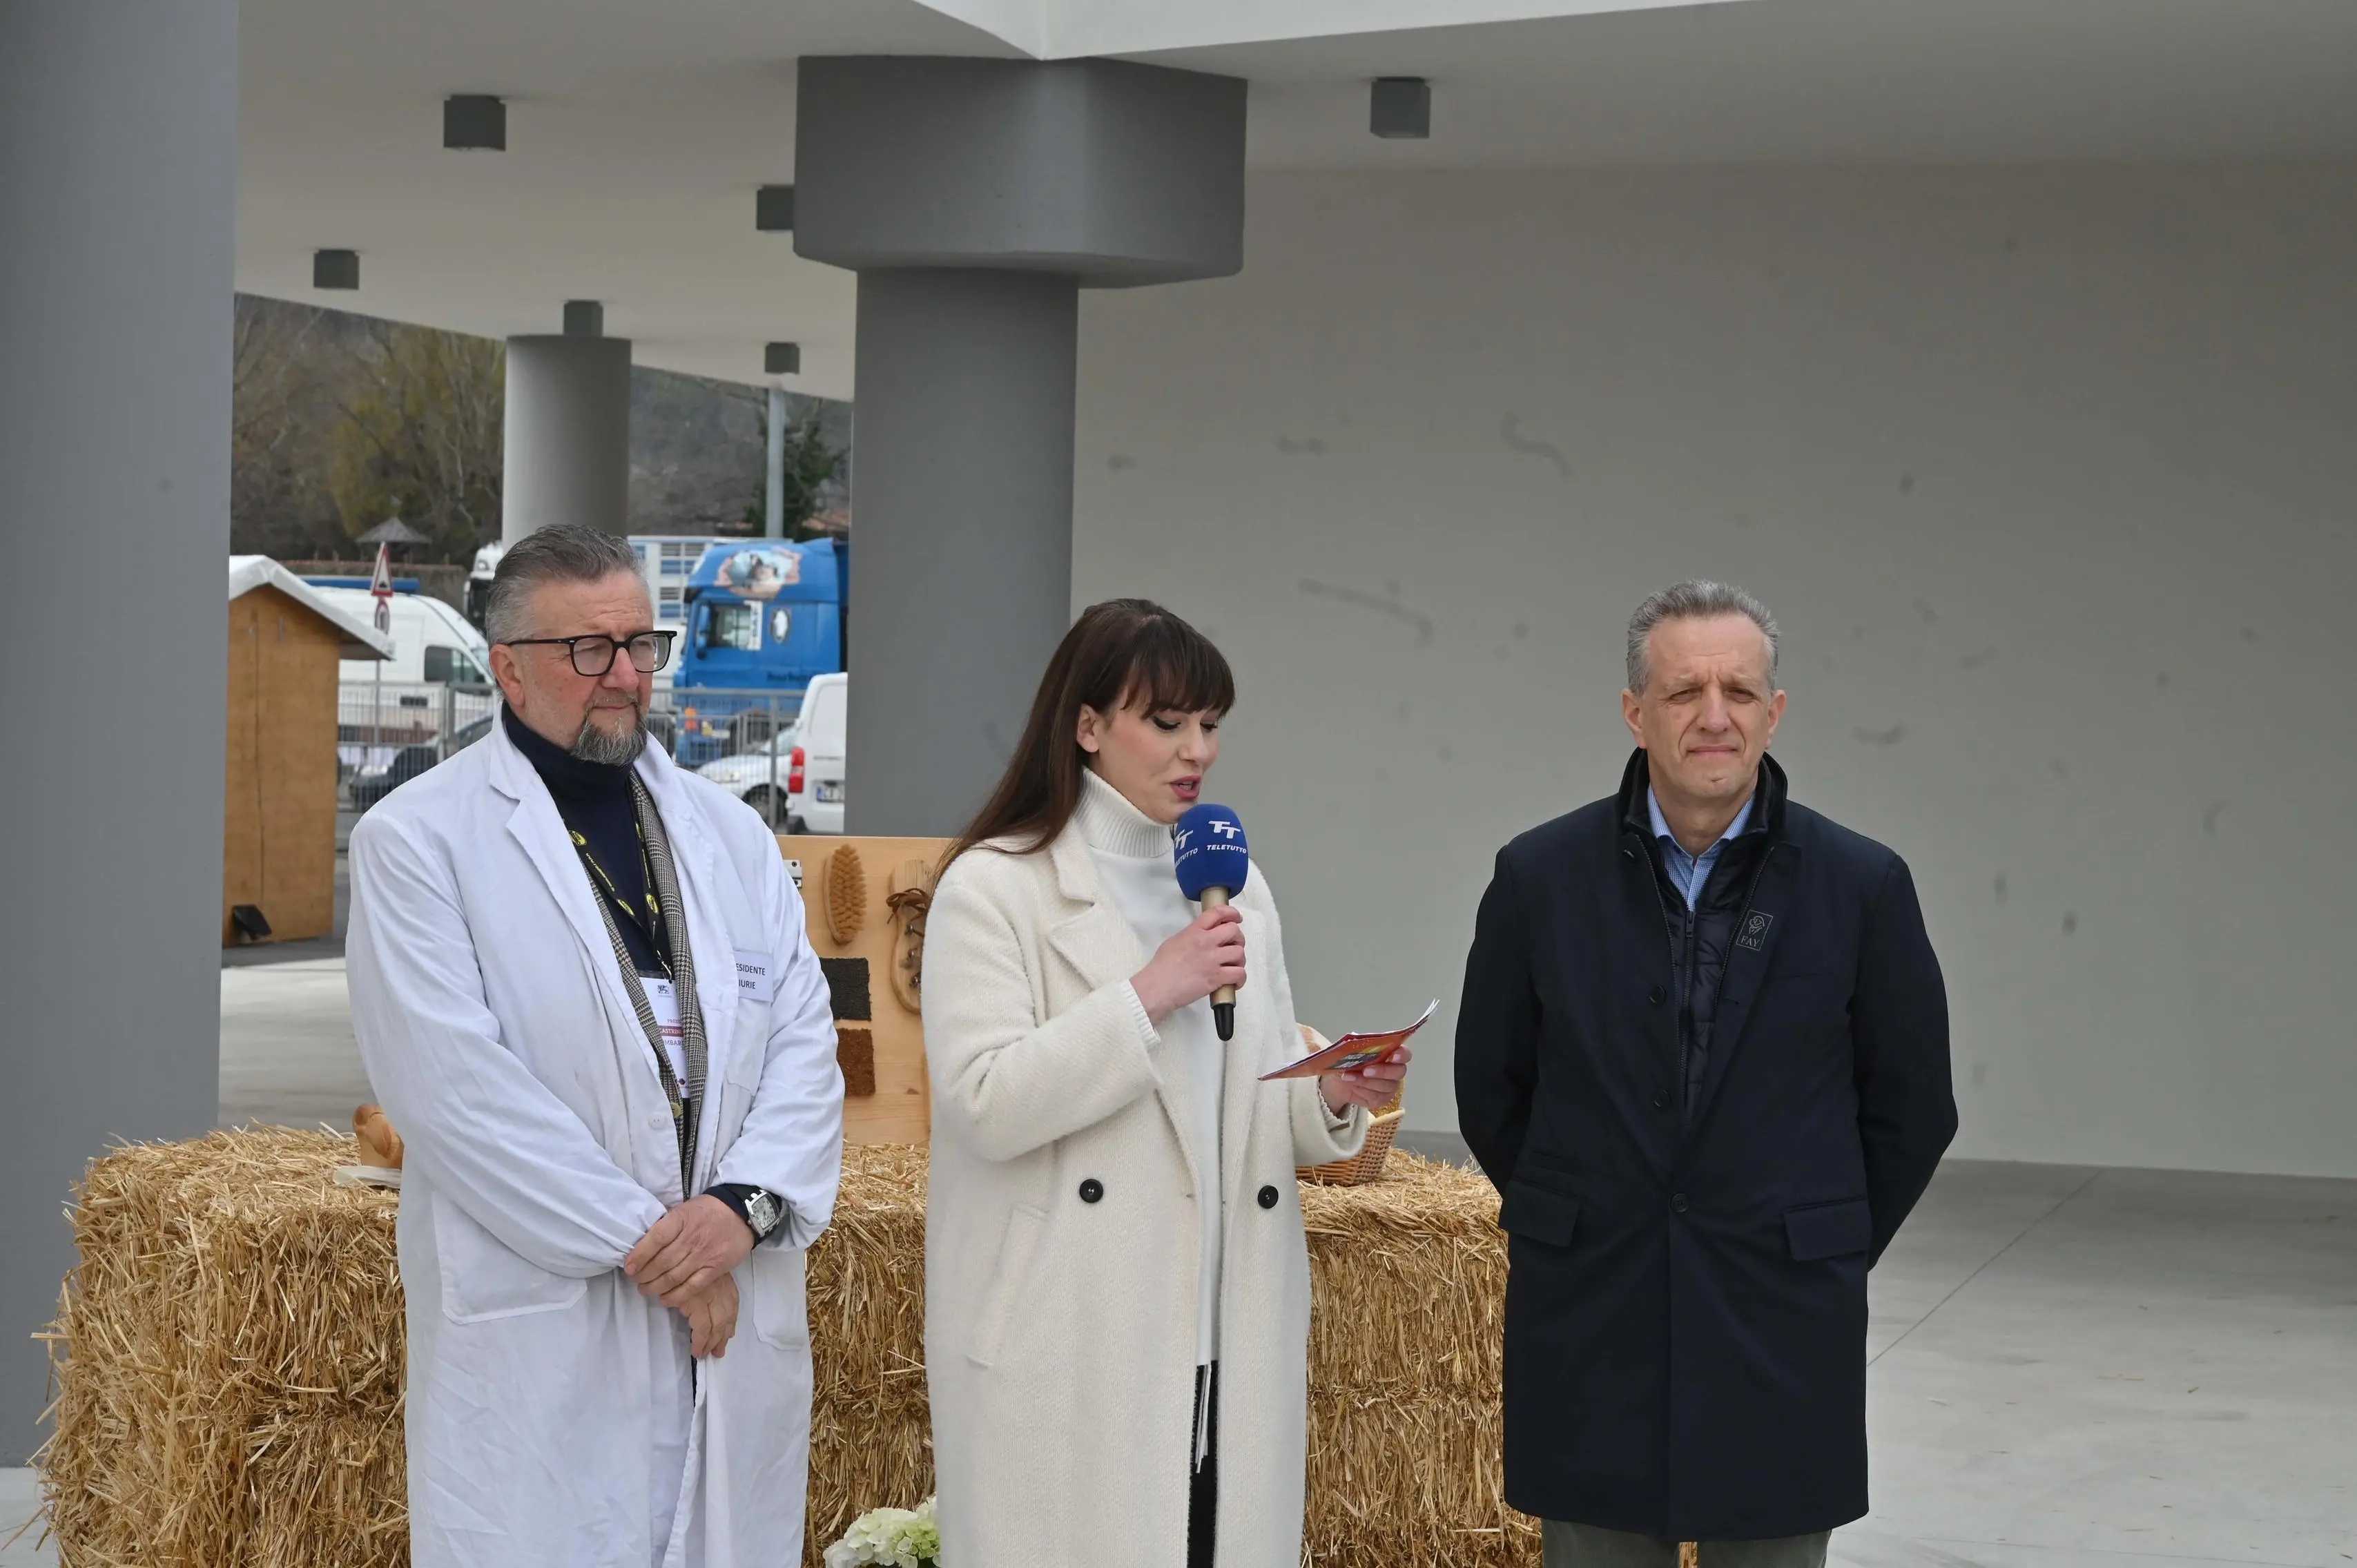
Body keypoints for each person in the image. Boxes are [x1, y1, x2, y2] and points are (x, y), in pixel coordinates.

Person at [347, 524, 846, 1568]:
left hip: (729, 1302)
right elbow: (457, 1097)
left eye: (640, 644)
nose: (625, 675)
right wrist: (663, 1250)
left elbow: (804, 1044)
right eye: (589, 649)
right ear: (508, 668)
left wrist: (741, 1211)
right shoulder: (419, 842)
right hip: (549, 1331)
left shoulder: (731, 836)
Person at [1455, 580, 1957, 1567]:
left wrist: (1819, 1237)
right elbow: (1492, 1086)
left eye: (1740, 691)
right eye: (1684, 691)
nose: (1714, 716)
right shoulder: (1538, 876)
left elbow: (1912, 1109)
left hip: (1782, 1307)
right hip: (1593, 1302)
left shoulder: (1862, 884)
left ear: (1775, 712)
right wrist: (1590, 1210)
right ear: (1634, 710)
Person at [919, 599, 1409, 1568]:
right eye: (1168, 721)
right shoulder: (993, 886)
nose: (1198, 751)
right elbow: (983, 1102)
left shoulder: (1239, 885)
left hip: (1228, 1327)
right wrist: (1149, 993)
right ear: (1087, 725)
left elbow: (1245, 1096)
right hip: (1077, 1329)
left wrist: (1331, 1094)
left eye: (1210, 724)